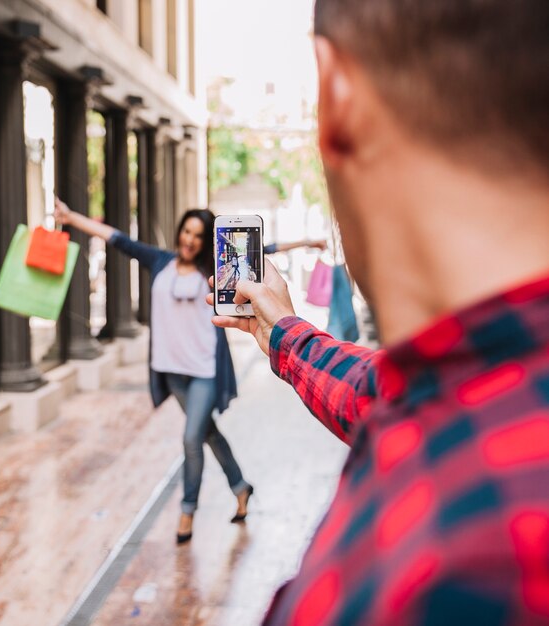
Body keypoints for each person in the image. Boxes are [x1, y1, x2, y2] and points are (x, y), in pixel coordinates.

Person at [210, 0, 549, 624]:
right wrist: (283, 331)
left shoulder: (439, 566)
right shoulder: (487, 377)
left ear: (338, 97)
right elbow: (383, 391)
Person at [54, 200, 254, 544]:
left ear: (206, 242)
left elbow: (255, 254)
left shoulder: (214, 271)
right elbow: (116, 238)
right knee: (207, 433)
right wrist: (71, 218)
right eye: (186, 231)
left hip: (205, 369)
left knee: (192, 438)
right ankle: (241, 486)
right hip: (172, 372)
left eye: (198, 235)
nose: (189, 239)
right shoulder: (160, 261)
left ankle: (187, 510)